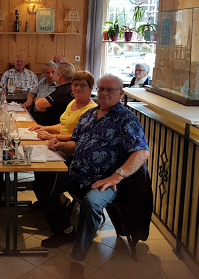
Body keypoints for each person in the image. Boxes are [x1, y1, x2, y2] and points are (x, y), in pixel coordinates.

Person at [39, 74, 150, 262]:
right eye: (102, 89)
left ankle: (78, 256)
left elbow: (141, 152)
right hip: (77, 172)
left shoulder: (126, 119)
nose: (105, 93)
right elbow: (77, 143)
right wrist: (58, 144)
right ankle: (64, 229)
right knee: (43, 183)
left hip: (104, 180)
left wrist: (117, 176)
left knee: (92, 204)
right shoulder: (89, 115)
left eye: (111, 90)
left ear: (121, 94)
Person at [29, 71, 97, 145]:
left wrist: (52, 136)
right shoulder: (73, 102)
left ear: (90, 88)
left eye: (83, 85)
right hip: (58, 141)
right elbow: (65, 125)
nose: (78, 88)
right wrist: (44, 128)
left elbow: (79, 136)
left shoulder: (92, 109)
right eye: (75, 84)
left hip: (68, 147)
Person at [31, 62, 75, 126]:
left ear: (59, 76)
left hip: (52, 127)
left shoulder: (62, 91)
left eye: (55, 73)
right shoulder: (73, 88)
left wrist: (37, 99)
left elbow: (39, 104)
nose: (53, 76)